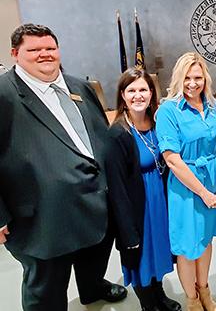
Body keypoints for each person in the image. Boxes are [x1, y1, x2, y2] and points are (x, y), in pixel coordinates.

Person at [0, 23, 127, 310]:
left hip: (95, 200)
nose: (44, 54)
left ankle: (93, 288)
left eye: (50, 48)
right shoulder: (4, 95)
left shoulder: (79, 86)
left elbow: (97, 134)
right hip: (42, 216)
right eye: (34, 50)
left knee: (94, 256)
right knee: (46, 286)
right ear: (15, 54)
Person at [156, 52, 216, 311]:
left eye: (197, 77)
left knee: (205, 239)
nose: (192, 83)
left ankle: (205, 291)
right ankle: (192, 299)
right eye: (186, 77)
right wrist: (204, 193)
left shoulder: (214, 107)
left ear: (205, 78)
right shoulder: (168, 111)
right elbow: (172, 159)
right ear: (178, 78)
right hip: (186, 186)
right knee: (188, 246)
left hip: (213, 182)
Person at [105, 68, 181, 311]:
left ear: (151, 93)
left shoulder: (160, 124)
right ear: (123, 96)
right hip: (138, 207)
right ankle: (149, 304)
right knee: (142, 258)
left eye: (143, 90)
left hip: (161, 200)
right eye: (132, 90)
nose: (138, 95)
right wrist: (127, 231)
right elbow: (116, 189)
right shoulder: (118, 134)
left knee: (159, 252)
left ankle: (159, 295)